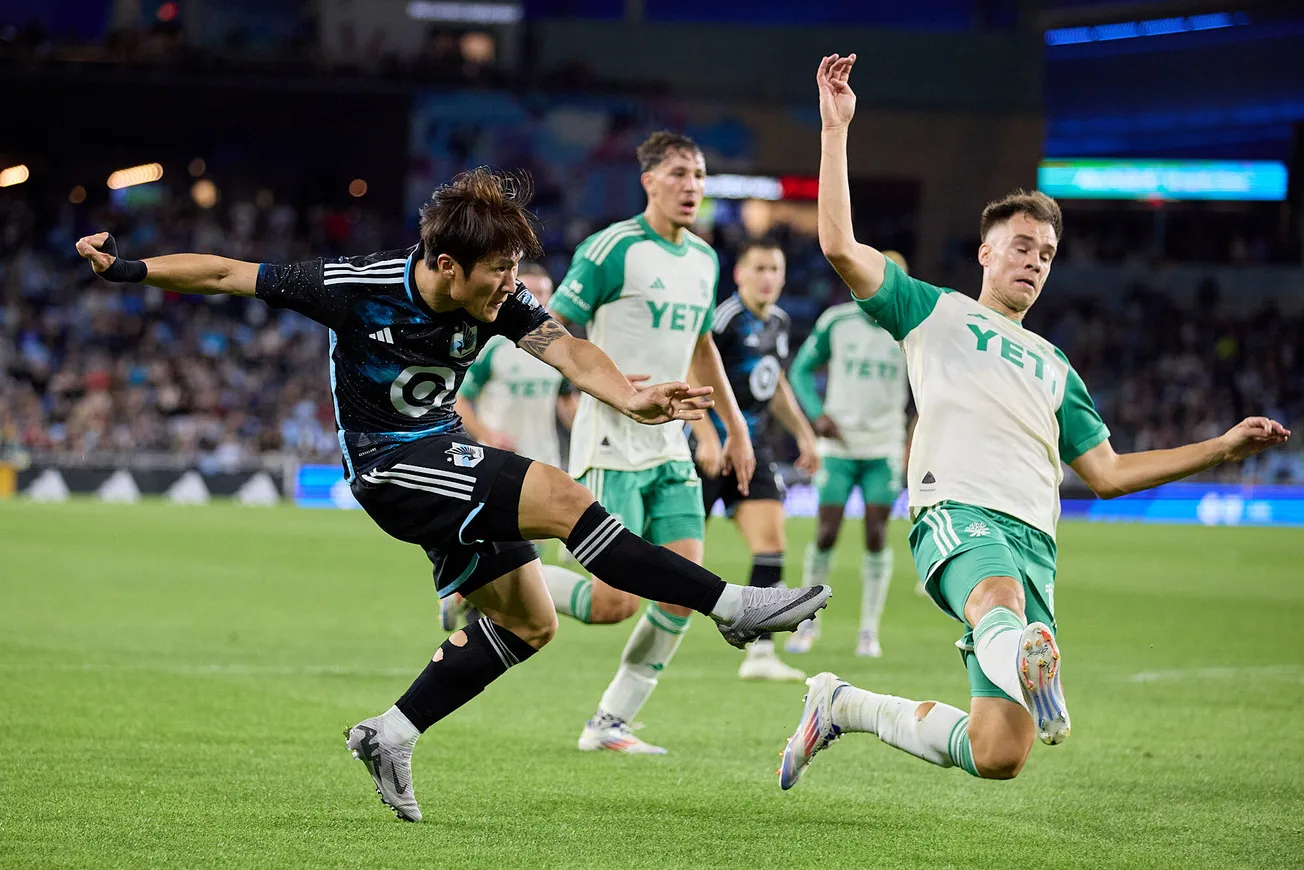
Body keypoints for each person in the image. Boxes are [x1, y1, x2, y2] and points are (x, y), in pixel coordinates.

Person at [72, 167, 832, 823]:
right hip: (390, 468)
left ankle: (391, 734)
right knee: (565, 500)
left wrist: (628, 398)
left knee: (532, 626)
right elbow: (228, 274)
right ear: (444, 264)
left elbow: (564, 345)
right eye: (499, 271)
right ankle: (731, 607)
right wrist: (129, 269)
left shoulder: (496, 301)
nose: (512, 284)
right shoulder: (356, 287)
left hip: (445, 453)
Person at [779, 54, 1290, 790]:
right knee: (999, 604)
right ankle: (1018, 648)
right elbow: (838, 246)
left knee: (998, 753)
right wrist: (835, 131)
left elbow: (1108, 473)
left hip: (1035, 539)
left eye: (1047, 254)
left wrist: (1220, 447)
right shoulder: (934, 311)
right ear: (986, 251)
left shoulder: (1057, 366)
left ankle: (842, 705)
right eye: (1022, 246)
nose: (1035, 261)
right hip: (957, 511)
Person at [545, 131, 758, 754]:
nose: (692, 186)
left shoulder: (704, 259)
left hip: (672, 448)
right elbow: (552, 324)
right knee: (613, 603)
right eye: (680, 174)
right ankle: (488, 586)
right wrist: (606, 383)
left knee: (687, 587)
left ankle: (610, 722)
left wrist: (732, 426)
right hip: (611, 443)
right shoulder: (612, 248)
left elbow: (699, 344)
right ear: (649, 181)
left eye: (699, 175)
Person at [691, 237, 819, 682]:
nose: (769, 278)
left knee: (772, 542)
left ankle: (761, 652)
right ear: (740, 274)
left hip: (752, 448)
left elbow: (776, 382)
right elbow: (693, 370)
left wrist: (805, 434)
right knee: (682, 554)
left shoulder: (780, 322)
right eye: (760, 269)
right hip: (708, 447)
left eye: (776, 269)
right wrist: (705, 435)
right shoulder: (725, 319)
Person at [785, 249, 912, 658]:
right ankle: (808, 624)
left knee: (876, 534)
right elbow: (800, 371)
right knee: (826, 532)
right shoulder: (836, 322)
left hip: (883, 447)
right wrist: (817, 413)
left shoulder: (910, 329)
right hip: (838, 447)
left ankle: (868, 632)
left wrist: (914, 436)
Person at [446, 261, 579, 628]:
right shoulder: (495, 347)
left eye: (545, 293)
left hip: (545, 456)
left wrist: (587, 427)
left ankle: (473, 602)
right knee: (509, 544)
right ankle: (478, 604)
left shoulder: (555, 350)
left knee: (535, 540)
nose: (537, 300)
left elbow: (566, 401)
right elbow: (460, 398)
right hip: (499, 459)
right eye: (531, 291)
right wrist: (486, 435)